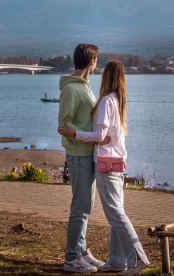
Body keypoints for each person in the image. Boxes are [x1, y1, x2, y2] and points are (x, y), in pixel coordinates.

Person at [59, 61, 150, 276]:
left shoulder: (105, 102)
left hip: (105, 165)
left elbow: (100, 137)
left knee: (115, 215)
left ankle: (138, 257)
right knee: (117, 213)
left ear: (105, 76)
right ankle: (118, 261)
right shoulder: (118, 100)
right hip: (117, 163)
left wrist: (75, 134)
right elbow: (111, 137)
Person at [58, 43, 108, 273]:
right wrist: (87, 138)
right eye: (96, 60)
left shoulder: (84, 86)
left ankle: (82, 250)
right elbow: (64, 125)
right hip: (78, 155)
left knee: (87, 205)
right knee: (80, 207)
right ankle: (71, 258)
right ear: (91, 61)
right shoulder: (72, 89)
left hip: (87, 153)